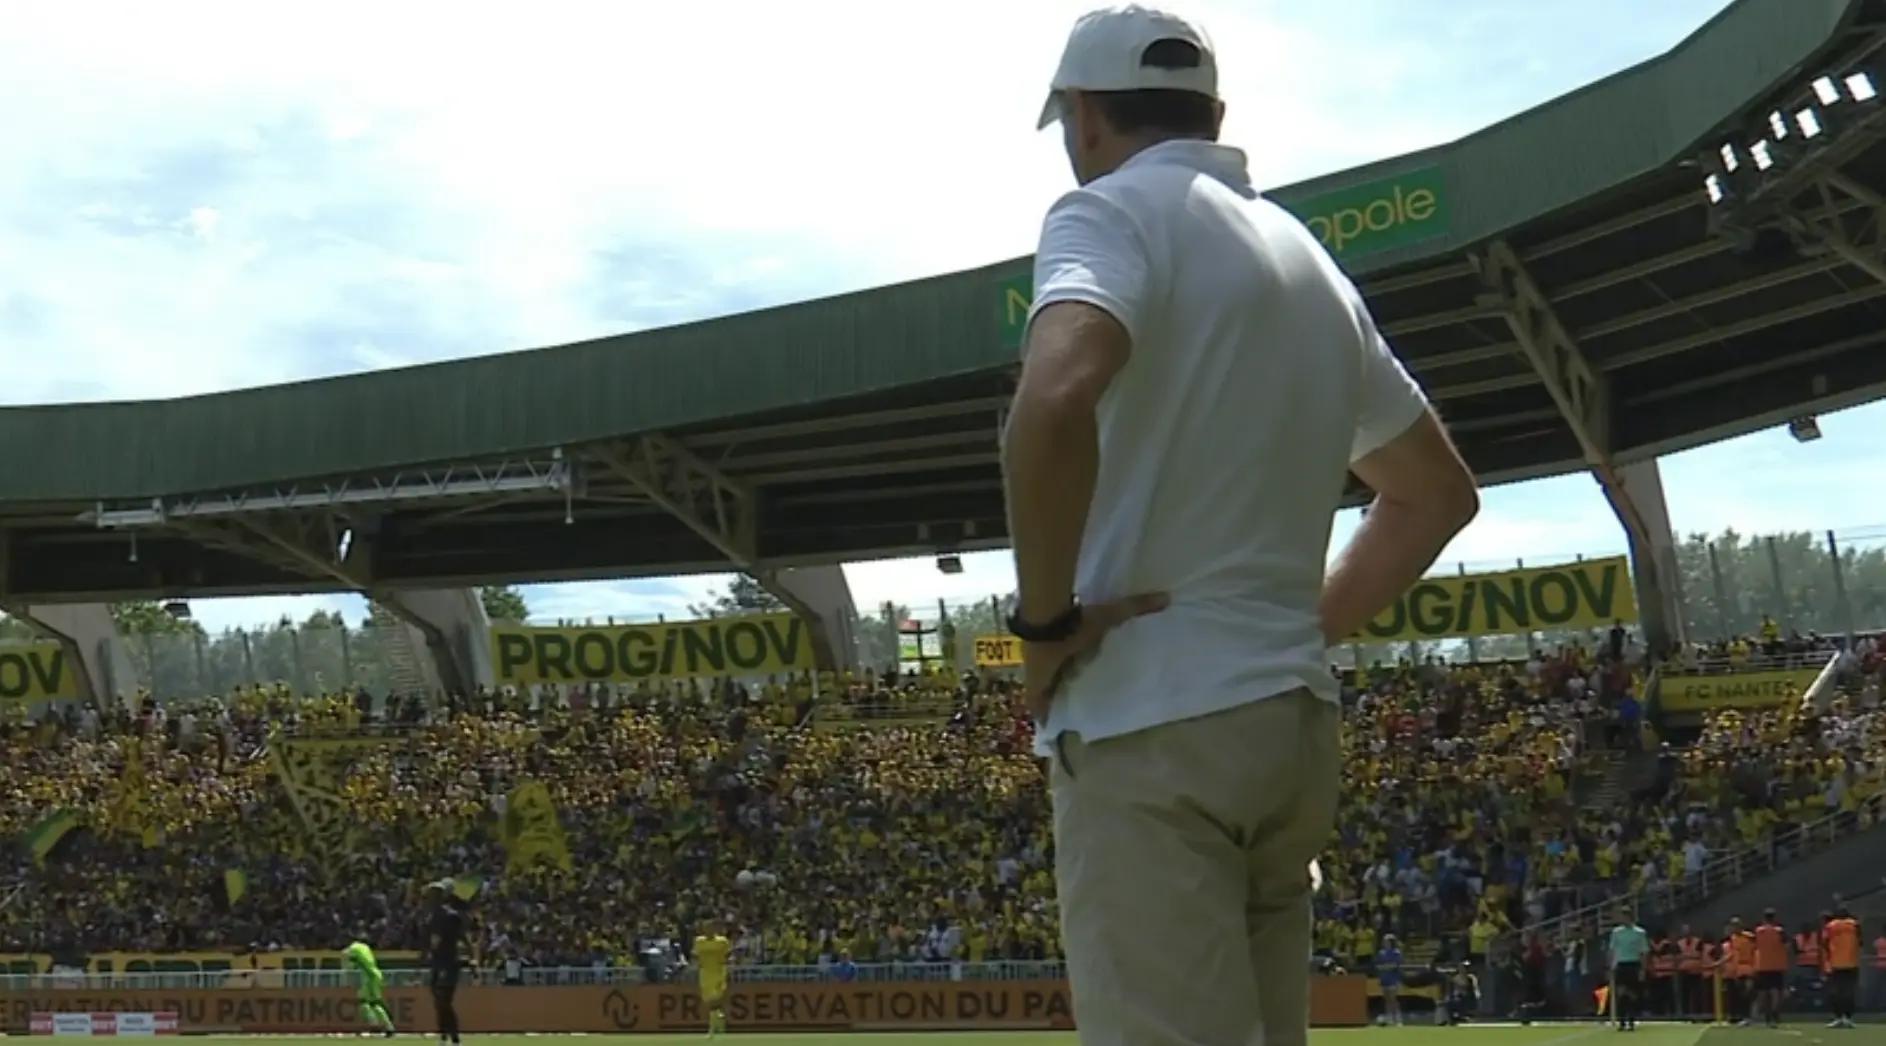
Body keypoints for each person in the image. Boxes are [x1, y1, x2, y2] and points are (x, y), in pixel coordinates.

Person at [1005, 6, 1476, 1044]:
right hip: (1286, 724)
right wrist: (1292, 629)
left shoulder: (1103, 215)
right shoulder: (1301, 252)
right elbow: (1431, 495)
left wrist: (1040, 631)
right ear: (1213, 113)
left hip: (1149, 715)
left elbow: (1050, 402)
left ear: (1081, 116)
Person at [426, 879, 469, 1046]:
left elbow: (440, 939)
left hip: (447, 961)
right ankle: (445, 1036)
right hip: (440, 961)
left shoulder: (445, 915)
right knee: (439, 1001)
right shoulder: (438, 914)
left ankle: (453, 1037)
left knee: (443, 1000)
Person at [342, 937, 397, 1039]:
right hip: (374, 975)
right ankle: (380, 1025)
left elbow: (348, 960)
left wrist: (345, 967)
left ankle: (380, 1026)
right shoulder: (365, 947)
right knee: (367, 1001)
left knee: (371, 1003)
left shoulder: (353, 948)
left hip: (370, 977)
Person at [1609, 911, 1649, 1032]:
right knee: (1621, 994)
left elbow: (1644, 951)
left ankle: (1631, 1021)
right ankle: (1621, 1022)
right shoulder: (1616, 932)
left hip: (1634, 964)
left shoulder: (1639, 933)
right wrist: (1611, 966)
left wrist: (1643, 969)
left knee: (1633, 995)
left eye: (1625, 917)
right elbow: (1612, 950)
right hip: (1621, 965)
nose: (1623, 919)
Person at [693, 919, 733, 1038]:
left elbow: (728, 956)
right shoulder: (699, 941)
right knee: (709, 1001)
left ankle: (711, 1029)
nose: (708, 930)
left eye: (710, 927)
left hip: (719, 972)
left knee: (716, 999)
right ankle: (719, 1020)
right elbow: (696, 956)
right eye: (706, 928)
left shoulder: (722, 941)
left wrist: (729, 968)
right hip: (705, 973)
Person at [1824, 906, 1862, 1029]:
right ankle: (1848, 1018)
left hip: (1836, 963)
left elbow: (1824, 942)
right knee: (1849, 992)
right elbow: (1861, 941)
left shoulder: (1831, 926)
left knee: (1837, 992)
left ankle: (1838, 1018)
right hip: (1852, 963)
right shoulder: (1855, 925)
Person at [1753, 908, 1789, 1028]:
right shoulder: (1779, 931)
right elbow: (1787, 945)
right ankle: (1774, 1014)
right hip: (1777, 965)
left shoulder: (1759, 931)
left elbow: (1755, 945)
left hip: (1762, 965)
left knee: (1763, 992)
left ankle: (1765, 1015)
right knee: (1775, 992)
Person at [1376, 934, 1404, 1026]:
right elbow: (1378, 966)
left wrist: (1386, 967)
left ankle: (1398, 1019)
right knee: (1387, 1000)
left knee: (1393, 999)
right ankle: (1390, 1019)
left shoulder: (1396, 952)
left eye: (1387, 941)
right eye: (1384, 941)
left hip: (1393, 979)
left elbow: (1395, 965)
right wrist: (1385, 967)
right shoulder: (1381, 953)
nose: (1385, 943)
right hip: (1384, 979)